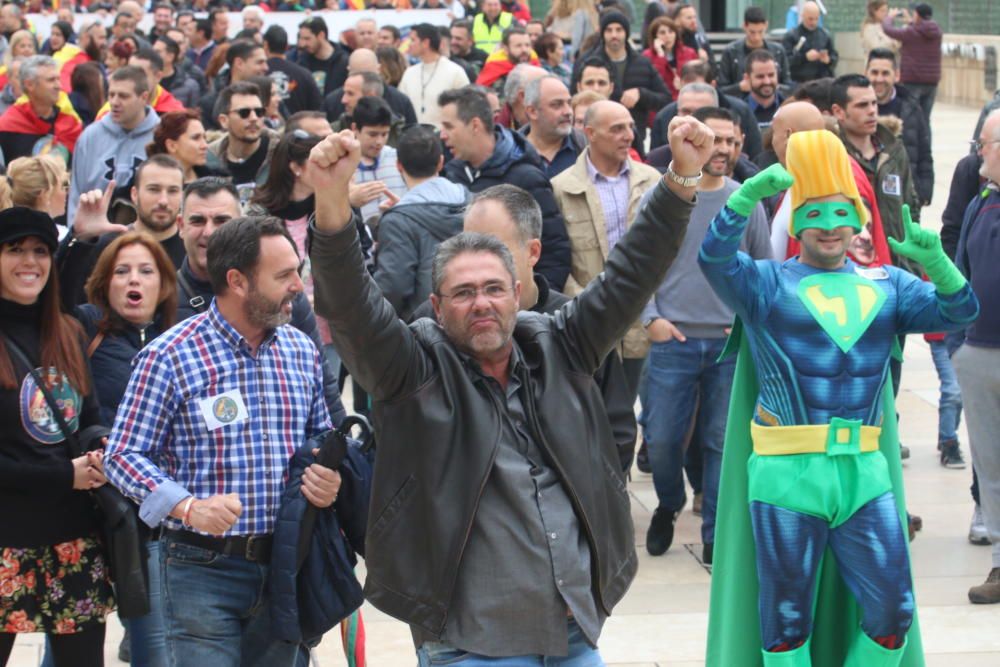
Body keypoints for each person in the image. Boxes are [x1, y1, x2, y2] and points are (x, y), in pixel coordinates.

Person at [305, 108, 712, 665]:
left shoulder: (561, 344)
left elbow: (631, 274)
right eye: (464, 292)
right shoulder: (412, 368)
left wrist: (682, 178)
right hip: (471, 641)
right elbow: (351, 308)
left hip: (572, 630)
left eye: (494, 288)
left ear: (519, 290)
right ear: (436, 306)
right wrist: (331, 208)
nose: (482, 304)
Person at [703, 130, 978, 665]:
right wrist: (740, 200)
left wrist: (938, 262)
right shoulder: (766, 284)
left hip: (862, 472)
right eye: (815, 215)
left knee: (893, 614)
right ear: (796, 220)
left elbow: (960, 311)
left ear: (859, 217)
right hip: (787, 472)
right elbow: (714, 260)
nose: (829, 228)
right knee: (784, 622)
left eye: (840, 214)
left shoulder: (890, 285)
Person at [104, 213, 342, 667]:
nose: (298, 285)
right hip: (198, 568)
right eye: (284, 275)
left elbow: (322, 437)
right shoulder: (169, 355)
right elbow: (123, 455)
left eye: (298, 270)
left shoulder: (301, 350)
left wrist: (328, 477)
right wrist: (187, 506)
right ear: (237, 281)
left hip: (286, 567)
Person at [639, 106, 771, 562]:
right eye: (715, 139)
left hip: (728, 344)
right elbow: (639, 264)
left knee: (720, 440)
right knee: (661, 439)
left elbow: (762, 271)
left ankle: (714, 530)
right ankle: (670, 502)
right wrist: (650, 318)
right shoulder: (664, 197)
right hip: (672, 339)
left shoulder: (745, 202)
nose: (725, 149)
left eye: (733, 140)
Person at [0, 206, 115, 667]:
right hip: (5, 542)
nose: (30, 261)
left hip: (73, 542)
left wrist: (99, 445)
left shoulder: (67, 331)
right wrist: (60, 476)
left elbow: (86, 417)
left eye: (40, 251)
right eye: (14, 250)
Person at [75, 231, 177, 666]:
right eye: (122, 271)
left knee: (152, 646)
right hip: (87, 511)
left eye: (145, 270)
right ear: (104, 283)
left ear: (164, 284)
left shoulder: (176, 340)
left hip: (150, 519)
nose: (133, 280)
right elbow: (67, 410)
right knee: (70, 646)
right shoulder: (82, 328)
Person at [551, 100, 662, 400]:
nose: (628, 135)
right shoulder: (561, 187)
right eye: (616, 129)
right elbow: (559, 258)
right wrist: (585, 305)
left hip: (644, 319)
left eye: (629, 126)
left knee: (636, 414)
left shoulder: (653, 181)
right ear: (590, 133)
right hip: (589, 322)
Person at [440, 85, 571, 291]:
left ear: (474, 125)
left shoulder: (526, 178)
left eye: (449, 126)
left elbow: (555, 252)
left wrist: (536, 308)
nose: (442, 135)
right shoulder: (450, 175)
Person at [955, 109, 1000, 604]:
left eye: (982, 144)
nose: (976, 153)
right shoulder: (981, 200)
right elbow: (963, 270)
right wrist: (957, 345)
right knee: (991, 465)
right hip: (979, 353)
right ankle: (999, 565)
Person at [373, 125, 469, 321]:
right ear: (441, 162)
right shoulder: (474, 202)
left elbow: (393, 287)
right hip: (474, 314)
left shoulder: (398, 221)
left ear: (399, 165)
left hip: (424, 330)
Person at [832, 74, 920, 276]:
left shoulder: (894, 150)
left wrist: (914, 264)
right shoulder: (833, 156)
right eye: (862, 105)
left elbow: (911, 208)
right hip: (854, 271)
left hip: (899, 268)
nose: (872, 111)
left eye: (874, 103)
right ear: (839, 112)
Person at [68, 66, 160, 226]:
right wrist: (75, 238)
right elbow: (77, 193)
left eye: (123, 96)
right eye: (111, 95)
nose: (114, 102)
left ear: (144, 97)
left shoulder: (161, 136)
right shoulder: (90, 136)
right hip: (95, 235)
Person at [571, 10, 670, 154]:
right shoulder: (586, 62)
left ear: (626, 33)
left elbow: (665, 99)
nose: (614, 35)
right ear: (603, 33)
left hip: (632, 139)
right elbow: (573, 97)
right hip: (588, 139)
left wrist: (641, 94)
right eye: (609, 30)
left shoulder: (643, 63)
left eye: (619, 30)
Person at [866, 48, 933, 206]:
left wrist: (924, 190)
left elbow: (924, 151)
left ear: (896, 75)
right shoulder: (856, 109)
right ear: (866, 73)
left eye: (885, 73)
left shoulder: (911, 108)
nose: (879, 79)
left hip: (905, 196)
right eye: (874, 72)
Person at [0, 55, 82, 165]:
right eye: (51, 80)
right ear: (29, 85)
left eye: (58, 79)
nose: (59, 86)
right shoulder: (8, 126)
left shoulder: (70, 123)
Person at [206, 81, 279, 205]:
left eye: (259, 112)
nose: (254, 118)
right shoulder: (208, 159)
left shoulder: (281, 154)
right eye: (244, 113)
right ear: (224, 121)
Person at [322, 48, 417, 129]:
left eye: (369, 74)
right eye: (357, 74)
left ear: (379, 69)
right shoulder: (333, 102)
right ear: (348, 70)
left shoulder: (401, 101)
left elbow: (412, 137)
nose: (364, 80)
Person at [398, 23, 470, 128]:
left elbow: (466, 108)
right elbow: (401, 106)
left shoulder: (455, 72)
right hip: (413, 136)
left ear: (426, 43)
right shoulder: (409, 73)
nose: (409, 44)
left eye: (413, 40)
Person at [880, 2, 941, 125]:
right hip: (931, 82)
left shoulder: (911, 32)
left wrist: (890, 17)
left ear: (917, 15)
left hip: (913, 80)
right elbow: (922, 29)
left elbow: (888, 30)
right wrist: (912, 22)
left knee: (909, 117)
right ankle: (925, 143)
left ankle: (910, 143)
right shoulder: (937, 32)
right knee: (925, 119)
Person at [350, 96, 407, 223]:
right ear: (355, 129)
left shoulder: (398, 157)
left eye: (384, 134)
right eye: (372, 134)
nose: (379, 142)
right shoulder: (343, 165)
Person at [717, 6, 792, 96]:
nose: (756, 37)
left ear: (766, 25)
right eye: (752, 32)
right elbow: (721, 89)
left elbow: (788, 86)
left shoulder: (778, 51)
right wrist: (739, 87)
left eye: (760, 32)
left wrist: (773, 85)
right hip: (739, 103)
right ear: (744, 26)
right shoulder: (730, 52)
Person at [522, 75, 583, 178]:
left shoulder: (585, 148)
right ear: (532, 112)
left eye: (569, 103)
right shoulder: (511, 153)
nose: (568, 111)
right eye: (556, 105)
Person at [264, 25, 323, 118]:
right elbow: (317, 110)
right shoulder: (304, 74)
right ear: (287, 46)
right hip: (300, 129)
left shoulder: (259, 74)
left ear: (265, 45)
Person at [146, 110, 211, 183]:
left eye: (205, 138)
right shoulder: (148, 180)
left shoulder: (213, 178)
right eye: (195, 138)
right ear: (171, 146)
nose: (205, 145)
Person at [736, 49, 792, 132]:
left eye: (771, 75)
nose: (767, 81)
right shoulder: (738, 112)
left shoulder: (790, 107)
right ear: (747, 78)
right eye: (760, 76)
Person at [782, 1, 837, 83]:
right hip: (799, 81)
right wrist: (805, 57)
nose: (814, 22)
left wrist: (828, 60)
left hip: (822, 80)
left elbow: (834, 56)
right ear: (803, 16)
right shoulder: (791, 36)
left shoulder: (825, 35)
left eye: (816, 19)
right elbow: (786, 61)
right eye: (810, 19)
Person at [642, 16, 696, 100]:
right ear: (655, 36)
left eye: (671, 32)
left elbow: (696, 78)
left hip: (684, 99)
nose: (667, 36)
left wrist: (684, 84)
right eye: (662, 33)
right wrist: (660, 54)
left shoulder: (689, 53)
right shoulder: (647, 55)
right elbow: (655, 82)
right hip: (660, 102)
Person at [296, 17, 349, 97]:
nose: (303, 44)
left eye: (307, 39)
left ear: (321, 35)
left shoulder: (343, 62)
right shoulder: (302, 62)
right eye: (301, 39)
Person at [476, 25, 537, 91]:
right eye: (518, 46)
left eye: (527, 45)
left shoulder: (534, 62)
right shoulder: (495, 65)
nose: (524, 50)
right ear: (506, 49)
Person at [152, 35, 201, 109]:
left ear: (170, 56)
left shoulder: (189, 85)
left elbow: (193, 112)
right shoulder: (147, 81)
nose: (152, 55)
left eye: (157, 52)